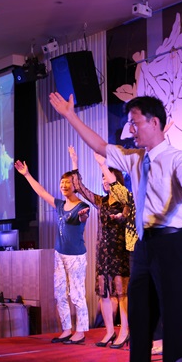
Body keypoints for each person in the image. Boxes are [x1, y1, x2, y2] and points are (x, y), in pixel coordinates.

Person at [49, 92, 182, 362]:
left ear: (154, 122)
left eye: (135, 123)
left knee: (176, 322)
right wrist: (70, 115)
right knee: (139, 318)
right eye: (129, 124)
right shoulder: (134, 158)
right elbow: (99, 145)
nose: (131, 129)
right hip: (144, 245)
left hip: (173, 243)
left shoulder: (176, 157)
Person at [14, 155, 90, 345]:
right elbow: (41, 192)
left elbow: (83, 217)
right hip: (59, 254)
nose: (64, 185)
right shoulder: (59, 205)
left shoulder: (83, 206)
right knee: (59, 294)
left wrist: (83, 216)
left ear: (75, 185)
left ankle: (80, 331)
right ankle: (66, 329)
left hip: (76, 256)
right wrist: (27, 175)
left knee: (77, 294)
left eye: (68, 182)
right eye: (62, 183)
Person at [68, 146, 131, 349]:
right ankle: (109, 331)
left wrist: (121, 217)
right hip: (103, 254)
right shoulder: (101, 201)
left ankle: (125, 331)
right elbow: (79, 188)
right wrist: (75, 162)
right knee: (104, 293)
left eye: (107, 177)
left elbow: (127, 217)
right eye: (102, 178)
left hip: (119, 253)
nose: (104, 181)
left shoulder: (125, 200)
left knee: (121, 293)